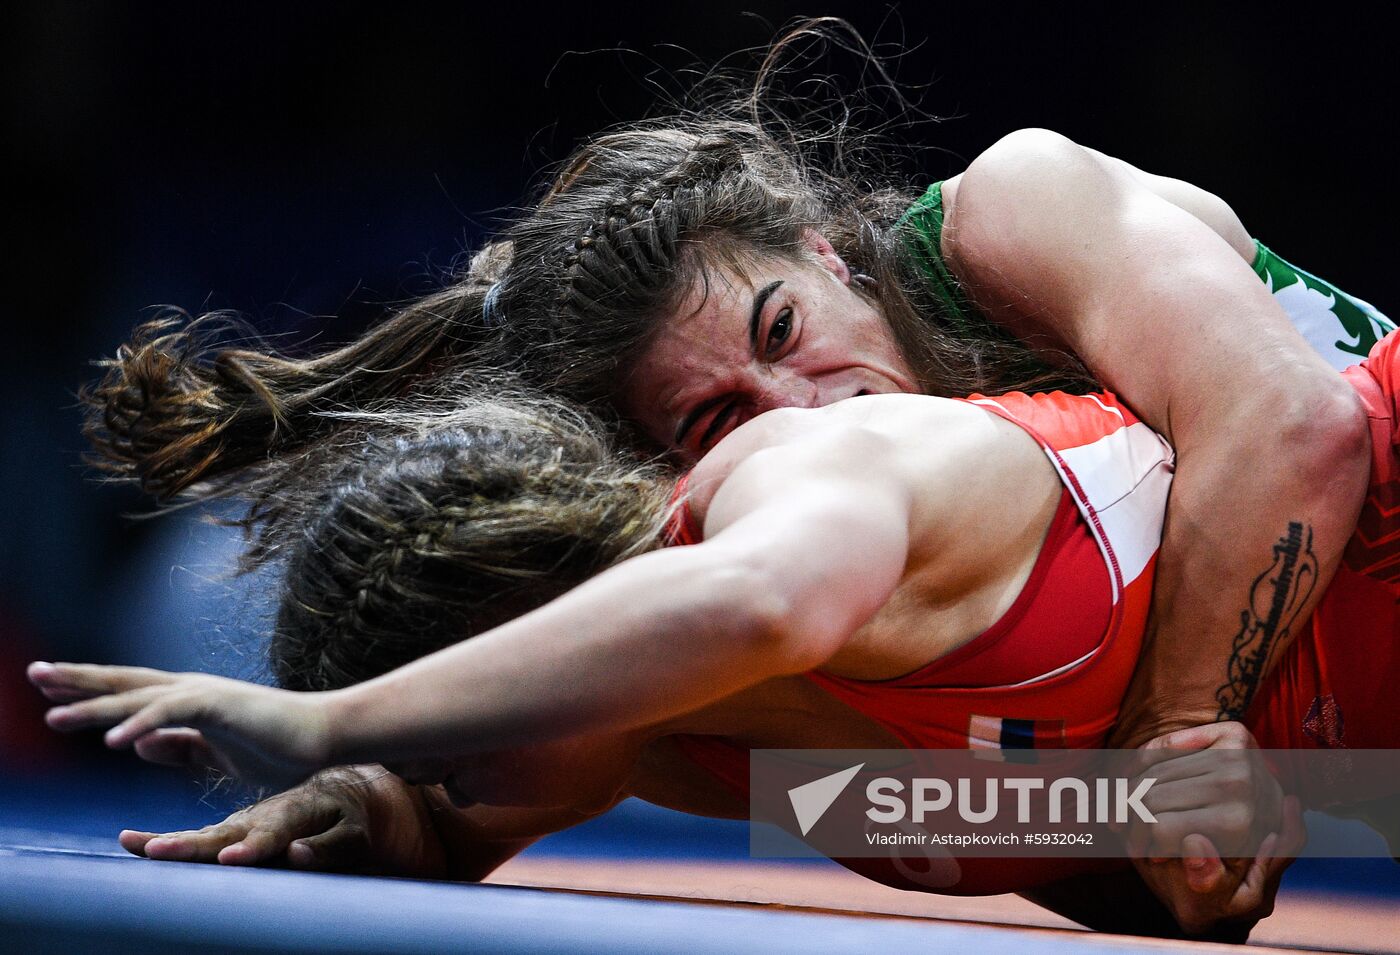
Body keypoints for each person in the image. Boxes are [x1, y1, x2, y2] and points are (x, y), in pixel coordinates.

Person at [79, 22, 1386, 760]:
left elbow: (1297, 428)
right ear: (672, 469)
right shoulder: (847, 571)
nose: (798, 406)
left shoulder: (1011, 210)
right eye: (717, 418)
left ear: (824, 246)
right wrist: (400, 792)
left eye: (780, 325)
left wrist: (1178, 736)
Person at [33, 326, 1400, 938]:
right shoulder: (678, 748)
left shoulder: (787, 483)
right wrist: (379, 813)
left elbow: (758, 602)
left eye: (456, 749)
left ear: (556, 627)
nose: (466, 795)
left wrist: (329, 725)